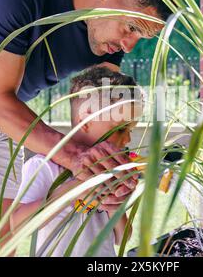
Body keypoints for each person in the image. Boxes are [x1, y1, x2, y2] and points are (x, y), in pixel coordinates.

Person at [0, 0, 170, 256]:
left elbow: (103, 113)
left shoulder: (108, 34)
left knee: (0, 244)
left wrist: (113, 178)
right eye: (132, 28)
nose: (129, 46)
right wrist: (80, 160)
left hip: (1, 123)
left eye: (141, 36)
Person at [11, 66, 143, 256]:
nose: (128, 140)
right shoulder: (45, 166)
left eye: (130, 130)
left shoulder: (110, 171)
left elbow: (122, 238)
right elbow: (18, 225)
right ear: (86, 119)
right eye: (121, 129)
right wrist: (73, 190)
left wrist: (116, 207)